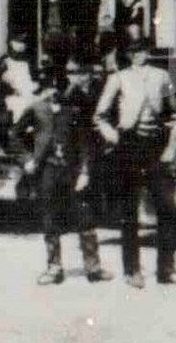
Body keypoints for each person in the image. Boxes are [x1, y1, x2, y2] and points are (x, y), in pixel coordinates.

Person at [93, 33, 176, 288]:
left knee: (168, 209)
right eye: (133, 51)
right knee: (129, 212)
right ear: (127, 54)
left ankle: (167, 269)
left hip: (156, 149)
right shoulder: (118, 78)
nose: (138, 55)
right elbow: (99, 116)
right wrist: (114, 137)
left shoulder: (162, 76)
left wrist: (170, 149)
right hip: (129, 147)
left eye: (142, 49)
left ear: (149, 51)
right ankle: (132, 270)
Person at [25, 54, 112, 285]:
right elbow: (17, 134)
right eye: (47, 87)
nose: (52, 92)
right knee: (50, 219)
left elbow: (84, 143)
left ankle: (93, 268)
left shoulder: (73, 111)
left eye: (56, 87)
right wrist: (30, 158)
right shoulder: (37, 109)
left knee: (85, 216)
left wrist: (84, 172)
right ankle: (54, 268)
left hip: (73, 171)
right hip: (49, 171)